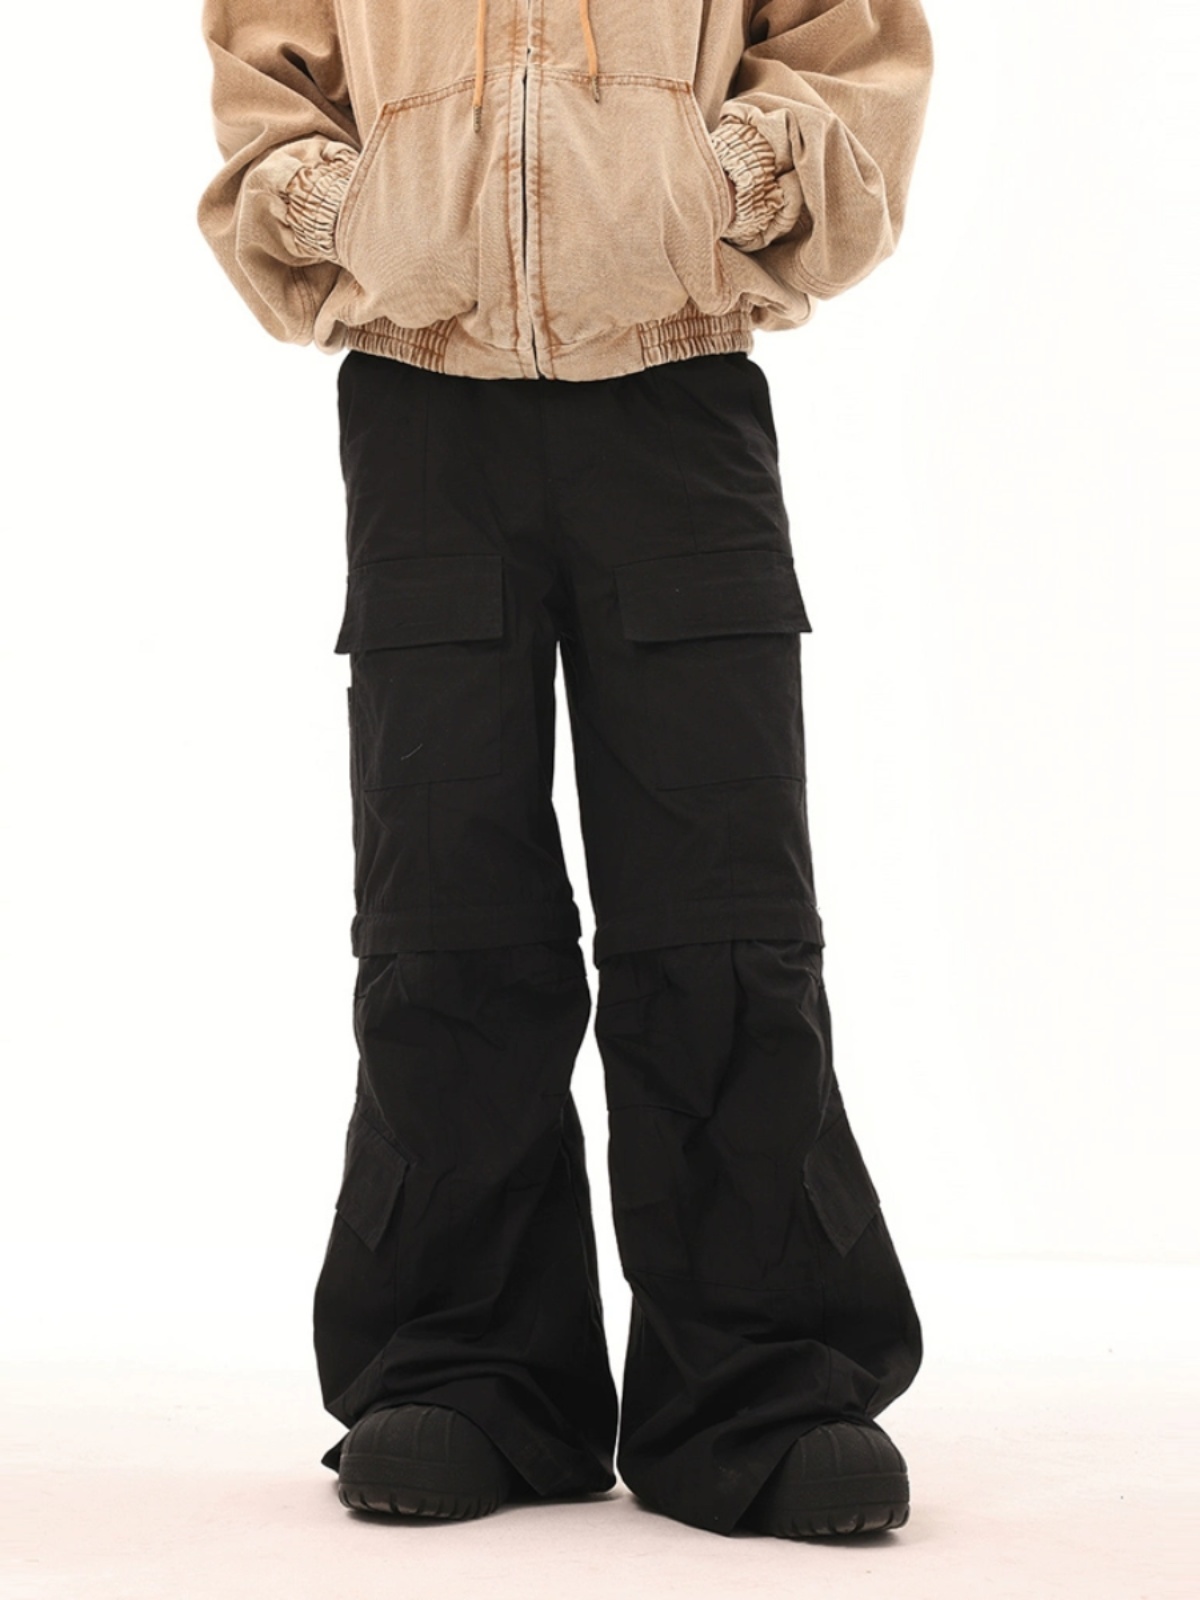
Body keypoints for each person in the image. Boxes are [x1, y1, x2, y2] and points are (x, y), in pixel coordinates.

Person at [197, 0, 935, 1542]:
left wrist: (710, 181)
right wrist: (358, 210)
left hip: (678, 385)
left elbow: (845, 49)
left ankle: (762, 1381)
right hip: (420, 402)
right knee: (442, 906)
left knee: (723, 907)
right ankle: (466, 1370)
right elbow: (269, 70)